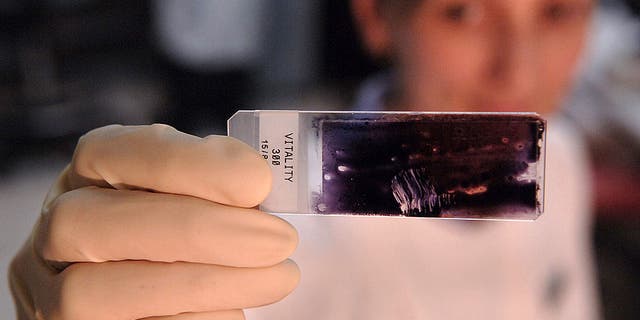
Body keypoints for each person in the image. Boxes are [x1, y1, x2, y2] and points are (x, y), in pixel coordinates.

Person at [9, 0, 600, 319]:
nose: (518, 71)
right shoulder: (279, 235)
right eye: (462, 13)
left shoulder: (563, 158)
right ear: (374, 16)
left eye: (558, 12)